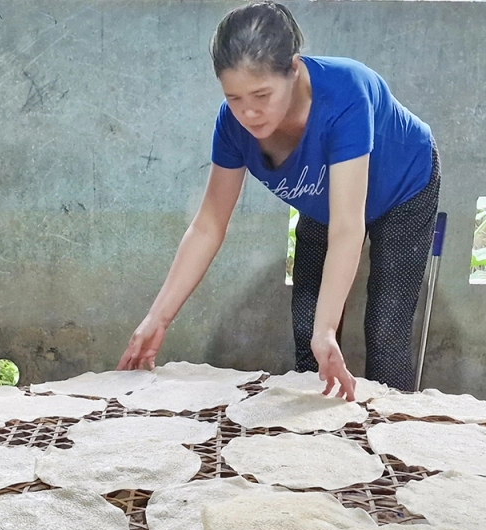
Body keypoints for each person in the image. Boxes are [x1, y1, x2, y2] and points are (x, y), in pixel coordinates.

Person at [117, 1, 439, 400]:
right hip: (322, 197)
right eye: (233, 97)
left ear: (294, 69)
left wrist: (329, 329)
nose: (249, 112)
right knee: (308, 327)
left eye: (261, 94)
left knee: (386, 327)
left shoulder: (344, 95)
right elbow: (208, 224)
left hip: (402, 188)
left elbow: (347, 227)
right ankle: (314, 431)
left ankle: (392, 432)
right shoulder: (232, 126)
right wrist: (157, 318)